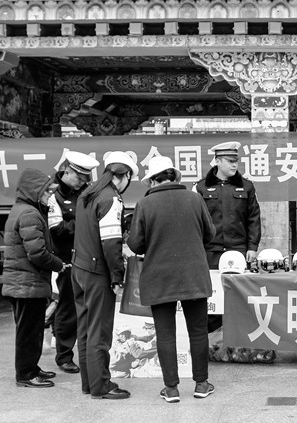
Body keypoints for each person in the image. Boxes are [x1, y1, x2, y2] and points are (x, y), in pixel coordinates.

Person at [127, 155, 217, 403]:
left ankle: (171, 389)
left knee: (165, 334)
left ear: (153, 181)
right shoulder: (195, 199)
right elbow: (210, 234)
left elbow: (136, 244)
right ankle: (201, 384)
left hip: (159, 277)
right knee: (198, 332)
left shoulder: (144, 204)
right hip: (194, 274)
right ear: (174, 177)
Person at [194, 141, 272, 364]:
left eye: (236, 161)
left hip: (238, 252)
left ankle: (237, 345)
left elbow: (254, 218)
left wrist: (252, 248)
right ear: (217, 161)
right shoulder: (201, 188)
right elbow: (196, 221)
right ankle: (212, 346)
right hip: (210, 252)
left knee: (238, 297)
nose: (234, 165)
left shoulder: (246, 187)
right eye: (229, 161)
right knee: (212, 299)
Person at [72, 151, 138, 400]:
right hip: (97, 272)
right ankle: (101, 385)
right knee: (99, 331)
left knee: (85, 330)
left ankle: (89, 383)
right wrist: (117, 277)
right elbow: (111, 243)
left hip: (79, 269)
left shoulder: (87, 195)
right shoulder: (111, 198)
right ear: (125, 175)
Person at [2, 168, 68, 388]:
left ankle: (32, 367)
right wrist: (59, 264)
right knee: (28, 331)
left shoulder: (23, 210)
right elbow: (37, 253)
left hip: (25, 282)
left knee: (32, 328)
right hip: (26, 284)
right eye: (46, 191)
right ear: (34, 191)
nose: (50, 195)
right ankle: (26, 374)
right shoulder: (29, 214)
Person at [46, 150, 100, 374]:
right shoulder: (53, 195)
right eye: (79, 178)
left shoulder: (88, 192)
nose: (82, 182)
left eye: (86, 179)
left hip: (89, 259)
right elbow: (56, 229)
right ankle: (64, 356)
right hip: (66, 261)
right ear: (67, 172)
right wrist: (86, 223)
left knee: (90, 309)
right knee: (67, 309)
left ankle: (90, 354)